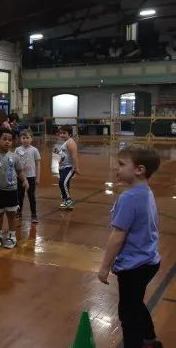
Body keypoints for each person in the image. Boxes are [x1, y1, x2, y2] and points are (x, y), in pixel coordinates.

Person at [98, 145, 162, 348]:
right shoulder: (145, 192)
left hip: (135, 266)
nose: (115, 167)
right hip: (150, 261)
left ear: (139, 170)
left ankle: (135, 344)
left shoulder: (129, 198)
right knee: (136, 303)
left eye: (121, 164)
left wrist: (104, 266)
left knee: (128, 312)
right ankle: (149, 339)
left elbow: (117, 237)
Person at [0, 128, 29, 249]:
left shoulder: (14, 157)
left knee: (11, 215)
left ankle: (12, 236)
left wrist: (25, 180)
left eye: (10, 140)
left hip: (11, 190)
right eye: (4, 139)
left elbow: (19, 171)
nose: (8, 142)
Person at [14, 130, 41, 223]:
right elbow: (14, 164)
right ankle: (18, 212)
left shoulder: (34, 150)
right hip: (20, 177)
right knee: (19, 196)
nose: (25, 140)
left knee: (31, 196)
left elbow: (38, 164)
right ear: (20, 139)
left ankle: (34, 214)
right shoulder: (17, 150)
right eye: (23, 138)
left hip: (31, 177)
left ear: (31, 139)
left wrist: (37, 177)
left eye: (27, 138)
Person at [54, 125, 79, 209]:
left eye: (64, 133)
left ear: (70, 134)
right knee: (65, 184)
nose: (62, 135)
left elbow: (74, 155)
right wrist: (59, 154)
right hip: (63, 167)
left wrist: (75, 167)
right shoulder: (64, 142)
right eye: (61, 133)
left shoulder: (70, 142)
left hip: (69, 167)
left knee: (62, 182)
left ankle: (68, 199)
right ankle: (66, 201)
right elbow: (64, 155)